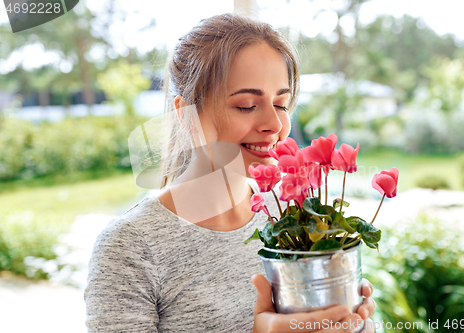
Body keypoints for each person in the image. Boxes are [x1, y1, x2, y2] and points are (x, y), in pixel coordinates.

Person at [85, 13, 376, 332]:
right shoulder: (130, 245)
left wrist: (351, 324)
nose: (275, 125)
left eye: (281, 104)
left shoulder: (294, 219)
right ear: (188, 115)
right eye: (247, 105)